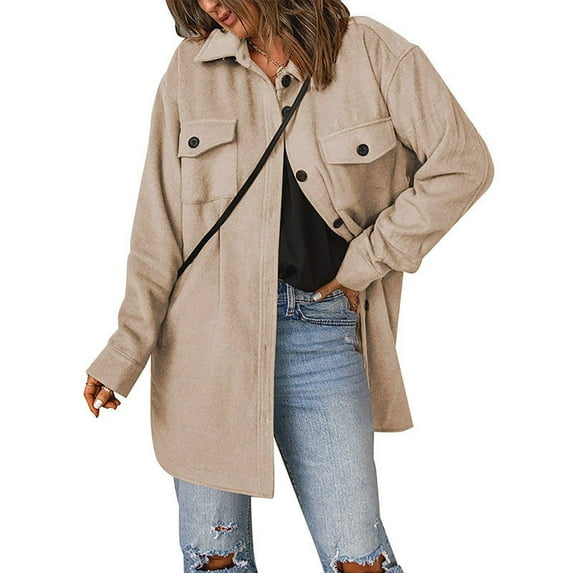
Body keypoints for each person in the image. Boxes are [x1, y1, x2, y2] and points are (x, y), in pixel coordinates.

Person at [84, 1, 494, 571]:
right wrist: (125, 351)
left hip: (321, 332)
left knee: (358, 557)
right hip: (205, 342)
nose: (210, 5)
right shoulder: (189, 71)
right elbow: (159, 227)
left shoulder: (371, 53)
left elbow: (463, 165)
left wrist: (367, 260)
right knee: (216, 559)